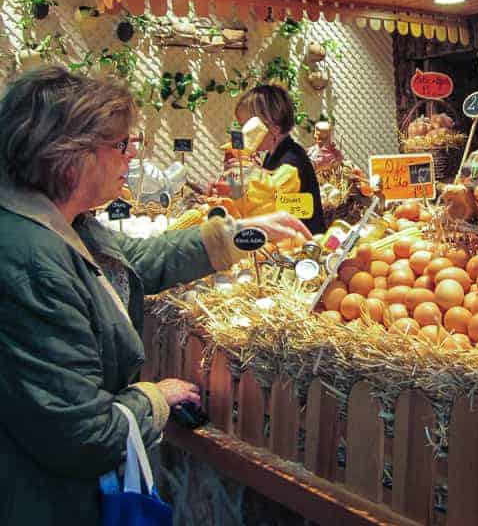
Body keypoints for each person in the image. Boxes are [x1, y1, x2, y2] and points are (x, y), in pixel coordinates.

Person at [0, 67, 310, 526]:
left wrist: (244, 231)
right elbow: (83, 434)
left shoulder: (66, 221)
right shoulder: (31, 260)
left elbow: (140, 259)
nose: (129, 158)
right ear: (71, 155)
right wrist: (152, 399)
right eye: (120, 145)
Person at [235, 84, 326, 234]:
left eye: (247, 127)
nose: (243, 133)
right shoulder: (275, 154)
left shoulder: (290, 163)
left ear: (273, 130)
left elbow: (270, 208)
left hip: (303, 244)